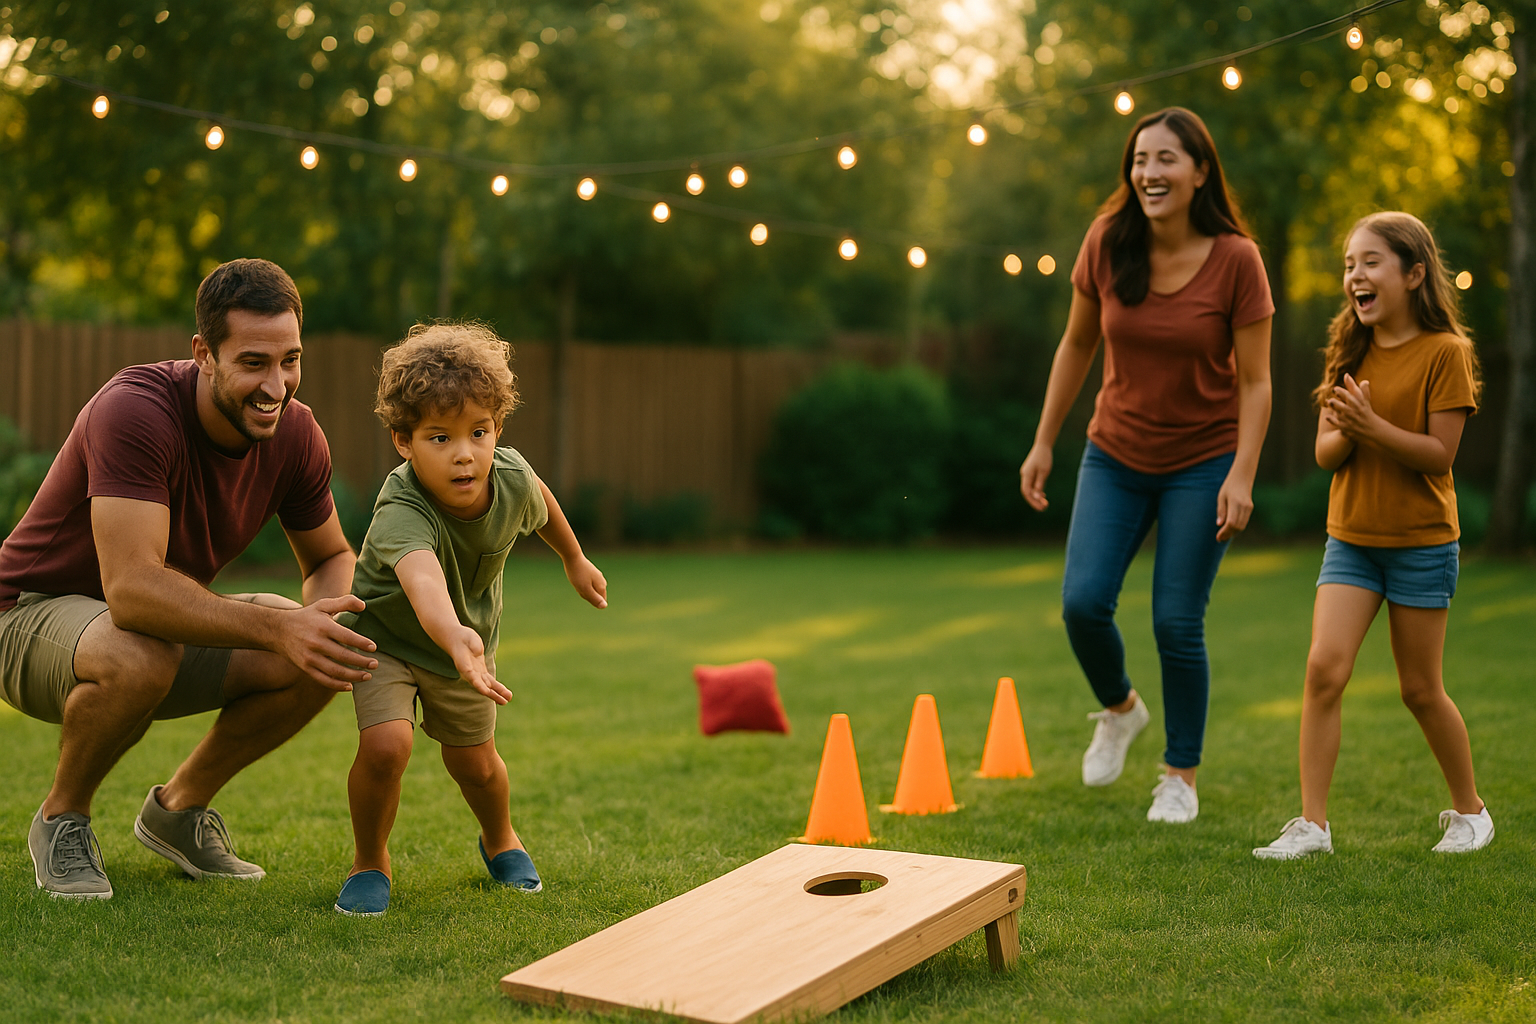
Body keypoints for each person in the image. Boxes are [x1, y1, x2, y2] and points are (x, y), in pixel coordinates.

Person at [0, 259, 380, 900]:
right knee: (141, 650)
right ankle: (61, 819)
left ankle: (178, 811)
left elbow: (328, 558)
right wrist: (279, 627)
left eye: (290, 360)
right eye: (254, 362)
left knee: (323, 651)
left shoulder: (296, 433)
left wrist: (320, 622)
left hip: (149, 628)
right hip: (26, 615)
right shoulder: (136, 412)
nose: (277, 385)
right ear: (204, 353)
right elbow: (133, 590)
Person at [1018, 108, 1273, 823]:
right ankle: (1121, 708)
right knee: (1082, 602)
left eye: (1165, 160)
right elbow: (1076, 347)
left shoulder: (1236, 260)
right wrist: (1044, 441)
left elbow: (1257, 381)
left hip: (1204, 459)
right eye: (1139, 160)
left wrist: (1242, 472)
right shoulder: (1107, 242)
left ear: (1199, 172)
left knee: (1175, 621)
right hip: (1116, 453)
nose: (1149, 173)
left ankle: (1179, 775)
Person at [332, 322, 607, 917]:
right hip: (390, 641)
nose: (464, 452)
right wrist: (455, 634)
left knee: (475, 764)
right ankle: (369, 861)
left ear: (496, 431)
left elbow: (540, 498)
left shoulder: (507, 476)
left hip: (464, 649)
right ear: (403, 442)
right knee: (386, 746)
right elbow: (423, 581)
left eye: (478, 433)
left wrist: (574, 558)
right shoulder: (400, 506)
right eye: (439, 437)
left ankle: (500, 837)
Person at [1254, 212, 1491, 859]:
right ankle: (1313, 826)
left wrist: (1370, 424)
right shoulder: (1349, 349)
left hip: (1421, 544)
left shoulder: (1447, 353)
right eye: (1349, 265)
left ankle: (1471, 811)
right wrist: (1345, 426)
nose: (1355, 275)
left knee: (1420, 689)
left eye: (1370, 262)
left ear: (1414, 274)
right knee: (1323, 670)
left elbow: (1439, 454)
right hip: (1351, 540)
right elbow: (1327, 453)